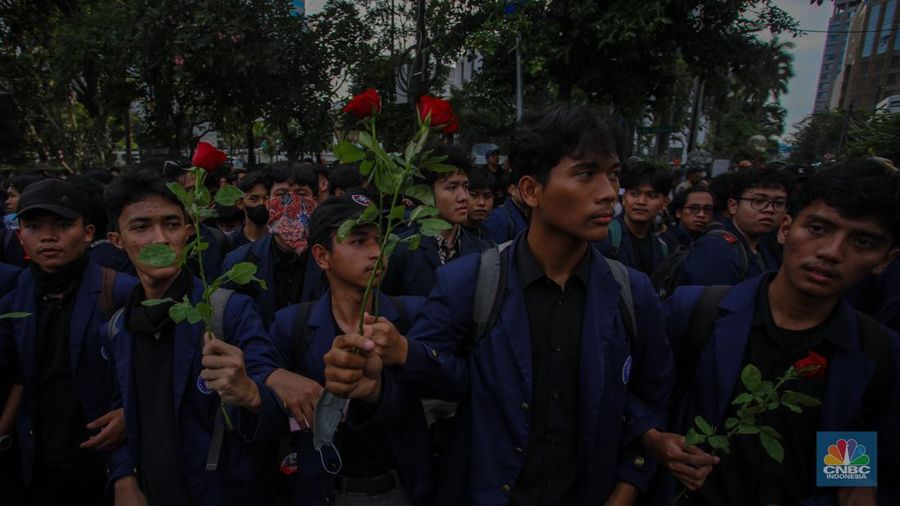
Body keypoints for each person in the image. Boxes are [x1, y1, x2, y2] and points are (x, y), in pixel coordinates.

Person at [322, 105, 691, 505]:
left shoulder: (631, 294)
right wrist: (391, 365)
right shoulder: (469, 282)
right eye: (586, 174)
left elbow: (651, 399)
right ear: (531, 190)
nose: (608, 193)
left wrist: (627, 485)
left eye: (613, 175)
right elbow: (428, 389)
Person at [663, 163, 900, 505]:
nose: (832, 252)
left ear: (884, 260)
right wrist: (656, 442)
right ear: (786, 228)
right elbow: (641, 406)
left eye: (862, 241)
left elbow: (853, 465)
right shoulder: (697, 314)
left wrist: (857, 487)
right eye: (818, 228)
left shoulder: (877, 355)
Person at [102, 169, 283, 506]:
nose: (160, 240)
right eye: (141, 227)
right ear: (117, 240)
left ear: (189, 231)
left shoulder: (228, 312)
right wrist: (124, 476)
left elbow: (276, 413)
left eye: (171, 224)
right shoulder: (117, 329)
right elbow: (120, 412)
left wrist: (251, 394)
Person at [266, 191, 434, 506]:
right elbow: (263, 407)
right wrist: (273, 378)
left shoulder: (413, 315)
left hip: (400, 489)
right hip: (324, 492)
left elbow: (454, 377)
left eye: (380, 239)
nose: (376, 252)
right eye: (358, 241)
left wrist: (404, 354)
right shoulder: (292, 325)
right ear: (322, 256)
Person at [0, 179, 138, 505]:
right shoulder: (12, 302)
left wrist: (130, 413)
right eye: (34, 227)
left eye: (62, 225)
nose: (48, 236)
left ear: (88, 233)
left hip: (104, 463)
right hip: (38, 464)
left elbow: (153, 375)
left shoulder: (121, 293)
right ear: (20, 236)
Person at [223, 164, 327, 325]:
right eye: (282, 195)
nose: (291, 204)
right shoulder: (239, 262)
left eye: (301, 194)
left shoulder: (334, 260)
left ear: (315, 202)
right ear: (268, 203)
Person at [381, 146, 490, 297]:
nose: (463, 196)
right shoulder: (401, 251)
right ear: (425, 194)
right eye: (452, 187)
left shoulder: (483, 251)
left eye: (465, 187)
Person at [679, 169, 789, 286]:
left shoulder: (768, 244)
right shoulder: (715, 248)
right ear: (733, 206)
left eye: (779, 203)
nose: (770, 209)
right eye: (758, 201)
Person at [596, 163, 671, 279]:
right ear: (624, 198)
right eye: (634, 194)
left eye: (651, 196)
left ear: (665, 202)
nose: (641, 201)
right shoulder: (605, 236)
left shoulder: (662, 247)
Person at [661, 187, 716, 252]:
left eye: (707, 209)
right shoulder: (664, 243)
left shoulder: (712, 239)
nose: (701, 214)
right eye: (694, 209)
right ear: (678, 212)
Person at [480, 172, 529, 245]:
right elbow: (494, 252)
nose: (530, 192)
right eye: (525, 188)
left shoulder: (531, 211)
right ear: (512, 189)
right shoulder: (499, 216)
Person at [229, 171, 270, 250]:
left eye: (266, 198)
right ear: (240, 203)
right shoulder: (230, 243)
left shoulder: (281, 243)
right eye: (254, 199)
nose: (261, 203)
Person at [462, 168, 495, 240]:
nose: (481, 203)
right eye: (474, 195)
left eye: (487, 196)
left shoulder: (489, 233)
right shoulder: (451, 235)